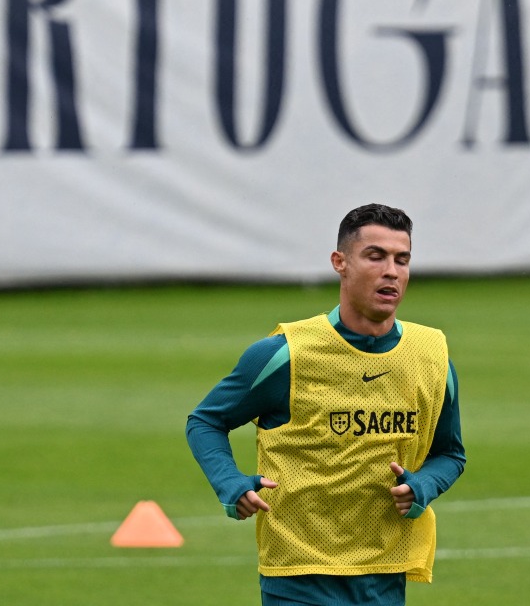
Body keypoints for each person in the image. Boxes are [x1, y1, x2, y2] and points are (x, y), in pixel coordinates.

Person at [186, 203, 466, 605]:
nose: (392, 271)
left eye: (402, 260)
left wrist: (423, 485)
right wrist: (229, 483)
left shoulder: (431, 356)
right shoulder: (285, 354)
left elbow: (450, 454)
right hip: (298, 574)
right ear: (341, 262)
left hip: (385, 574)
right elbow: (205, 421)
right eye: (376, 256)